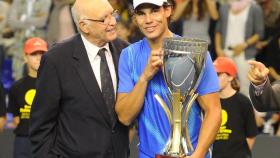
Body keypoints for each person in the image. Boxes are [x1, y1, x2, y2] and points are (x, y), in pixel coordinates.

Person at [115, 0, 221, 158]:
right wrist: (145, 77)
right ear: (135, 18)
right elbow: (124, 117)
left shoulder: (196, 54)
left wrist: (197, 155)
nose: (148, 20)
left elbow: (213, 111)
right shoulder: (128, 55)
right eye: (141, 13)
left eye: (154, 11)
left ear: (168, 10)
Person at [29, 0, 130, 157]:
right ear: (84, 26)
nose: (112, 22)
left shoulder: (125, 51)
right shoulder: (57, 59)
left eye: (113, 14)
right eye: (104, 18)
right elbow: (41, 124)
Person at [7, 37, 47, 158]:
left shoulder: (54, 84)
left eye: (42, 53)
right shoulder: (16, 87)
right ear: (25, 57)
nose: (38, 57)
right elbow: (15, 118)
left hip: (46, 139)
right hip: (23, 140)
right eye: (34, 54)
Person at [215, 0, 264, 97]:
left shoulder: (254, 8)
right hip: (225, 53)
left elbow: (259, 33)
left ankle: (248, 110)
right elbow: (218, 30)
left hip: (245, 54)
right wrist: (218, 49)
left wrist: (244, 45)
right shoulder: (225, 7)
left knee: (246, 88)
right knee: (222, 87)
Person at [212, 57, 258, 158]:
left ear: (230, 77)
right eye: (212, 74)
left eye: (218, 74)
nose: (213, 78)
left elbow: (251, 134)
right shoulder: (209, 102)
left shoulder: (243, 102)